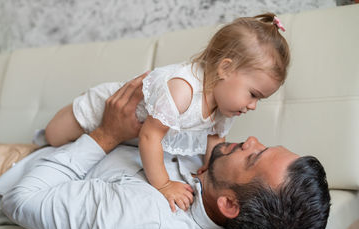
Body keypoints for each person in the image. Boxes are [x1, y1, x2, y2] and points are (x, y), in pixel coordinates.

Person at [0, 73, 330, 229]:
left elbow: (20, 201)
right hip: (20, 151)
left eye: (254, 157)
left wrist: (106, 135)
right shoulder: (206, 171)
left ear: (229, 205)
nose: (250, 140)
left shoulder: (145, 216)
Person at [44, 13, 290, 212]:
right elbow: (150, 137)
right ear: (226, 68)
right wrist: (163, 185)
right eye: (254, 94)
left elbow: (215, 140)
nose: (253, 106)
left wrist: (208, 166)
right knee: (53, 136)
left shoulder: (225, 108)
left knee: (75, 148)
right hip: (105, 108)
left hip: (127, 133)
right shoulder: (183, 90)